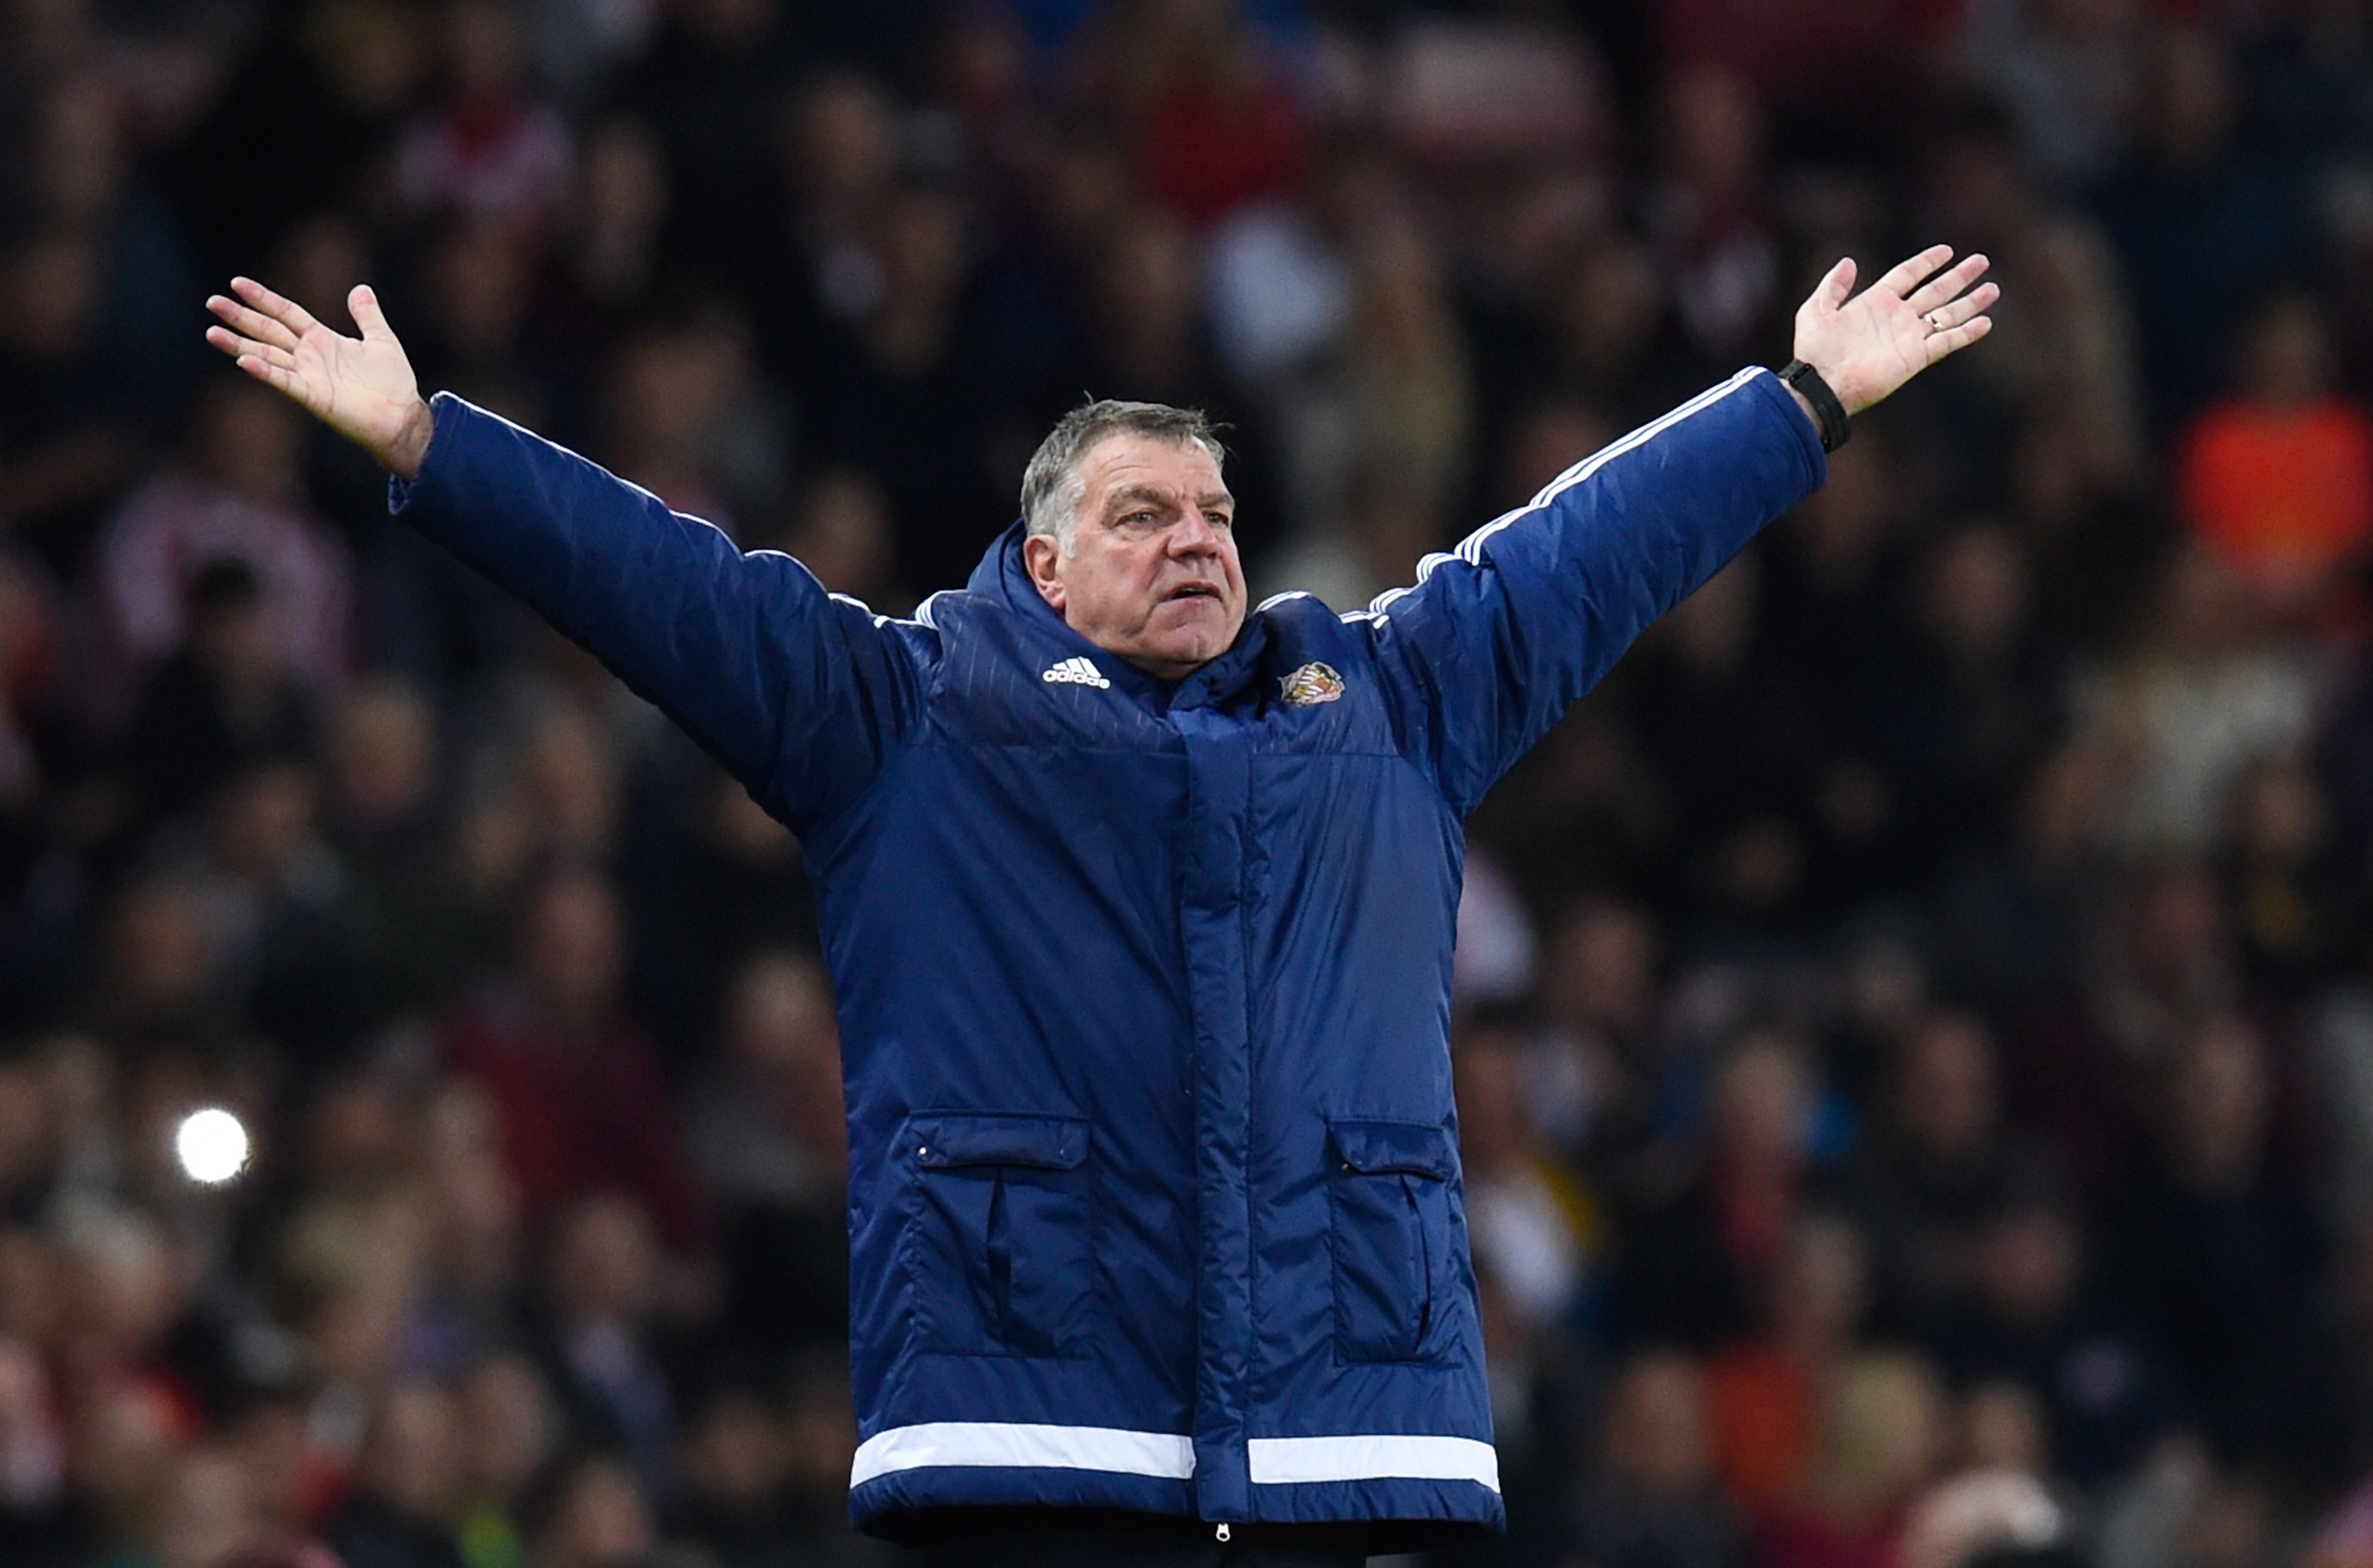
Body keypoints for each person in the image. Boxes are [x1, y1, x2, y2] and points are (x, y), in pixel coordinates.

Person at [204, 247, 1994, 1566]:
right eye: (1146, 516)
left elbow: (1583, 548)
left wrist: (1799, 403)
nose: (1201, 539)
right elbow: (667, 590)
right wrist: (437, 446)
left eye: (1215, 511)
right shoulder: (900, 717)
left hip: (1346, 1431)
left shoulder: (1391, 700)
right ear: (1042, 564)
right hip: (1026, 1428)